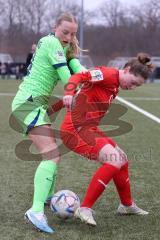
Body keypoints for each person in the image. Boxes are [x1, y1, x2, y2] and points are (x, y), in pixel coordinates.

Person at [11, 12, 86, 233]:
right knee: (51, 154)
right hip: (28, 103)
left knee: (53, 154)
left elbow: (80, 72)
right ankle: (35, 211)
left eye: (72, 34)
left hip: (36, 105)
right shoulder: (51, 42)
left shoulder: (66, 49)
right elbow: (66, 77)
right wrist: (83, 88)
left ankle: (45, 197)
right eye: (65, 32)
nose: (68, 37)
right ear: (55, 27)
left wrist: (96, 77)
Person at [60, 53, 154, 226]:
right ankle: (85, 208)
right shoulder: (106, 74)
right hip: (74, 130)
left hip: (88, 128)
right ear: (126, 70)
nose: (132, 88)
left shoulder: (116, 85)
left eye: (136, 86)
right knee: (114, 159)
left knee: (122, 159)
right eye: (132, 82)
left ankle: (126, 205)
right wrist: (68, 92)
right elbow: (78, 75)